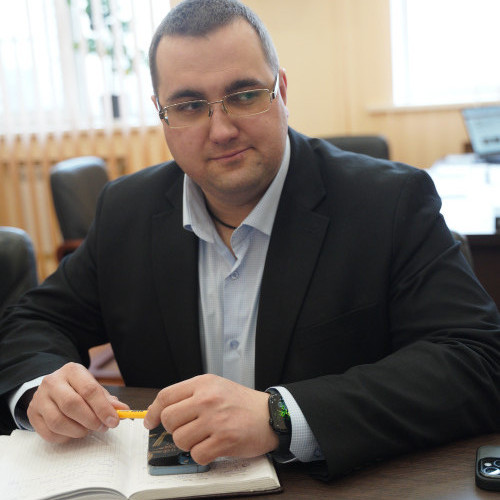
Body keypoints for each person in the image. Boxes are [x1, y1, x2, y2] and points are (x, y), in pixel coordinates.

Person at [1, 0, 500, 481]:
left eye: (244, 95)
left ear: (281, 89)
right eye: (189, 105)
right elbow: (35, 319)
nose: (221, 131)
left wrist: (281, 415)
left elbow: (476, 361)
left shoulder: (389, 202)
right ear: (162, 114)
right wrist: (41, 386)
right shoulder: (125, 210)